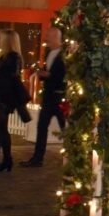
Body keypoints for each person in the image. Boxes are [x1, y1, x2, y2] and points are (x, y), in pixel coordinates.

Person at [0, 29, 32, 175]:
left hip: (4, 97)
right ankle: (6, 159)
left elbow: (10, 77)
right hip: (0, 95)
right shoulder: (7, 56)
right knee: (1, 129)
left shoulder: (13, 57)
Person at [21, 27, 66, 167]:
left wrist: (48, 75)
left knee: (65, 128)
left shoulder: (64, 54)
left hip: (60, 98)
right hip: (48, 97)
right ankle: (37, 158)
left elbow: (63, 75)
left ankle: (73, 156)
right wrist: (43, 75)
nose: (46, 38)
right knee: (41, 127)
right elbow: (49, 72)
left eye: (48, 36)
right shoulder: (49, 53)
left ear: (55, 37)